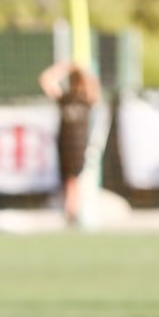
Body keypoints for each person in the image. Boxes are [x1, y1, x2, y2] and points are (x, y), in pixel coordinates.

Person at [38, 61, 101, 226]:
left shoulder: (86, 99)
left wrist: (81, 69)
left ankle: (72, 211)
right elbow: (45, 80)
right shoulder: (65, 98)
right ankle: (71, 210)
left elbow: (95, 88)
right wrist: (64, 68)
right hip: (64, 143)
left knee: (74, 179)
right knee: (68, 179)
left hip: (79, 144)